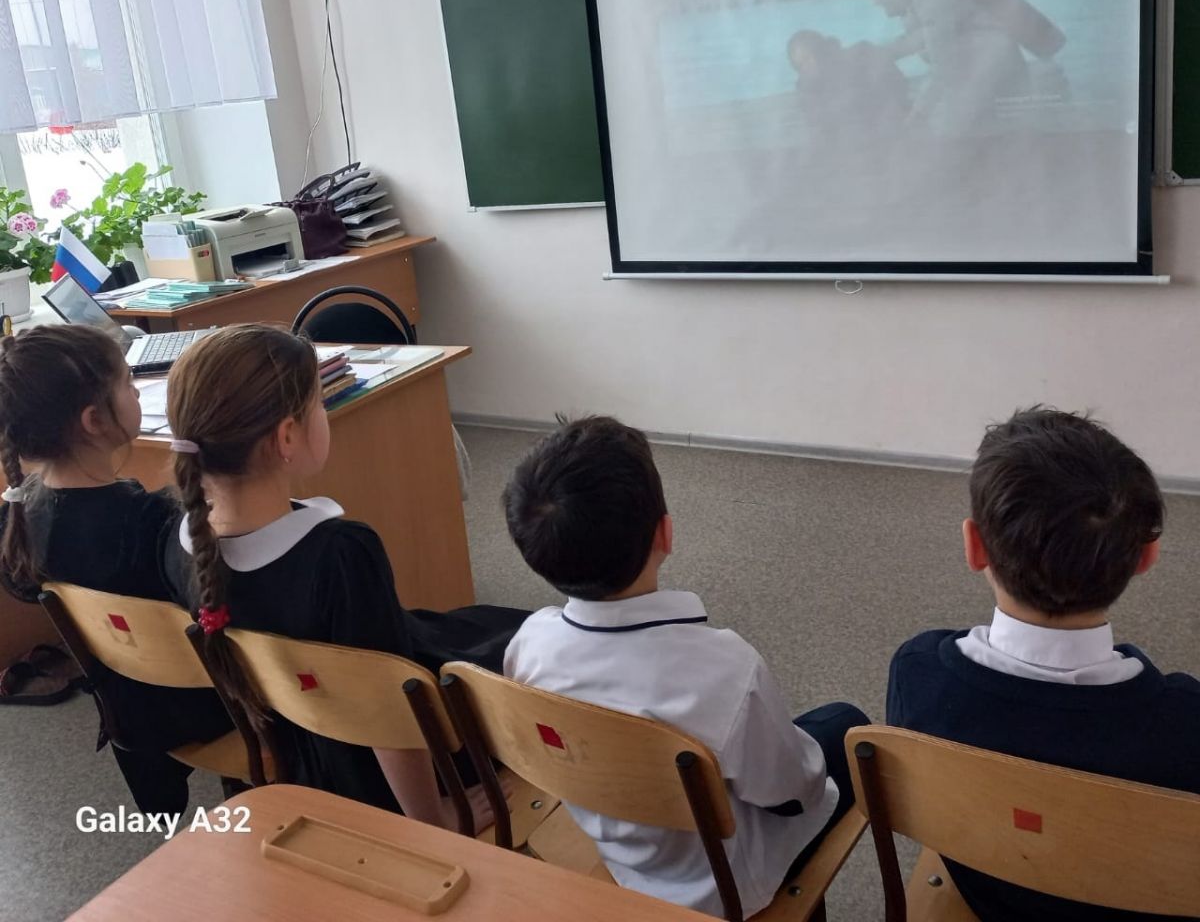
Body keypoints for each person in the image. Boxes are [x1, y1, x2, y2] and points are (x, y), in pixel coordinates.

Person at [159, 322, 526, 828]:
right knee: (519, 645)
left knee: (487, 624)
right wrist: (435, 816)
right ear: (287, 437)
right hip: (383, 772)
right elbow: (388, 711)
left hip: (306, 744)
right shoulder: (341, 555)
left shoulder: (179, 541)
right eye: (320, 405)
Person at [502, 415, 868, 918]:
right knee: (846, 724)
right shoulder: (726, 669)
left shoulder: (529, 644)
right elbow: (791, 794)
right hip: (723, 886)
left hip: (620, 851)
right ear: (666, 534)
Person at [888, 407, 1200, 922]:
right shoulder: (1186, 722)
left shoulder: (918, 671)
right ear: (1147, 558)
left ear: (974, 547)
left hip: (985, 892)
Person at [0, 325, 231, 814]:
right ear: (93, 420)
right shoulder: (150, 522)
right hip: (204, 704)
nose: (137, 391)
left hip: (131, 709)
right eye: (128, 382)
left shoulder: (18, 515)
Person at [855, 0, 1032, 129]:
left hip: (998, 89)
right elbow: (922, 38)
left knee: (954, 136)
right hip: (989, 81)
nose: (887, 13)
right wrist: (884, 54)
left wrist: (918, 115)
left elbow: (944, 69)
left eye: (881, 1)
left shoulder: (934, 1)